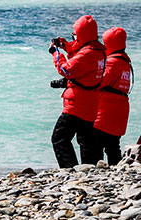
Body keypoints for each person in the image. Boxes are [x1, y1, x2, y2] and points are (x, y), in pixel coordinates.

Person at [48, 15, 106, 168]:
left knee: (59, 138)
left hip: (76, 105)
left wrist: (56, 53)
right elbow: (80, 56)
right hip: (91, 104)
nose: (73, 36)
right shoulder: (99, 51)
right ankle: (89, 169)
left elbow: (66, 70)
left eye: (75, 34)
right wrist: (66, 46)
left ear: (82, 34)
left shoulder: (87, 54)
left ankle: (69, 170)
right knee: (86, 140)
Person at [93, 27, 133, 165]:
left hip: (107, 110)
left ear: (110, 44)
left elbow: (98, 82)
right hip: (121, 110)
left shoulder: (111, 63)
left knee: (96, 144)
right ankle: (116, 168)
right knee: (113, 146)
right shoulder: (125, 63)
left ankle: (95, 171)